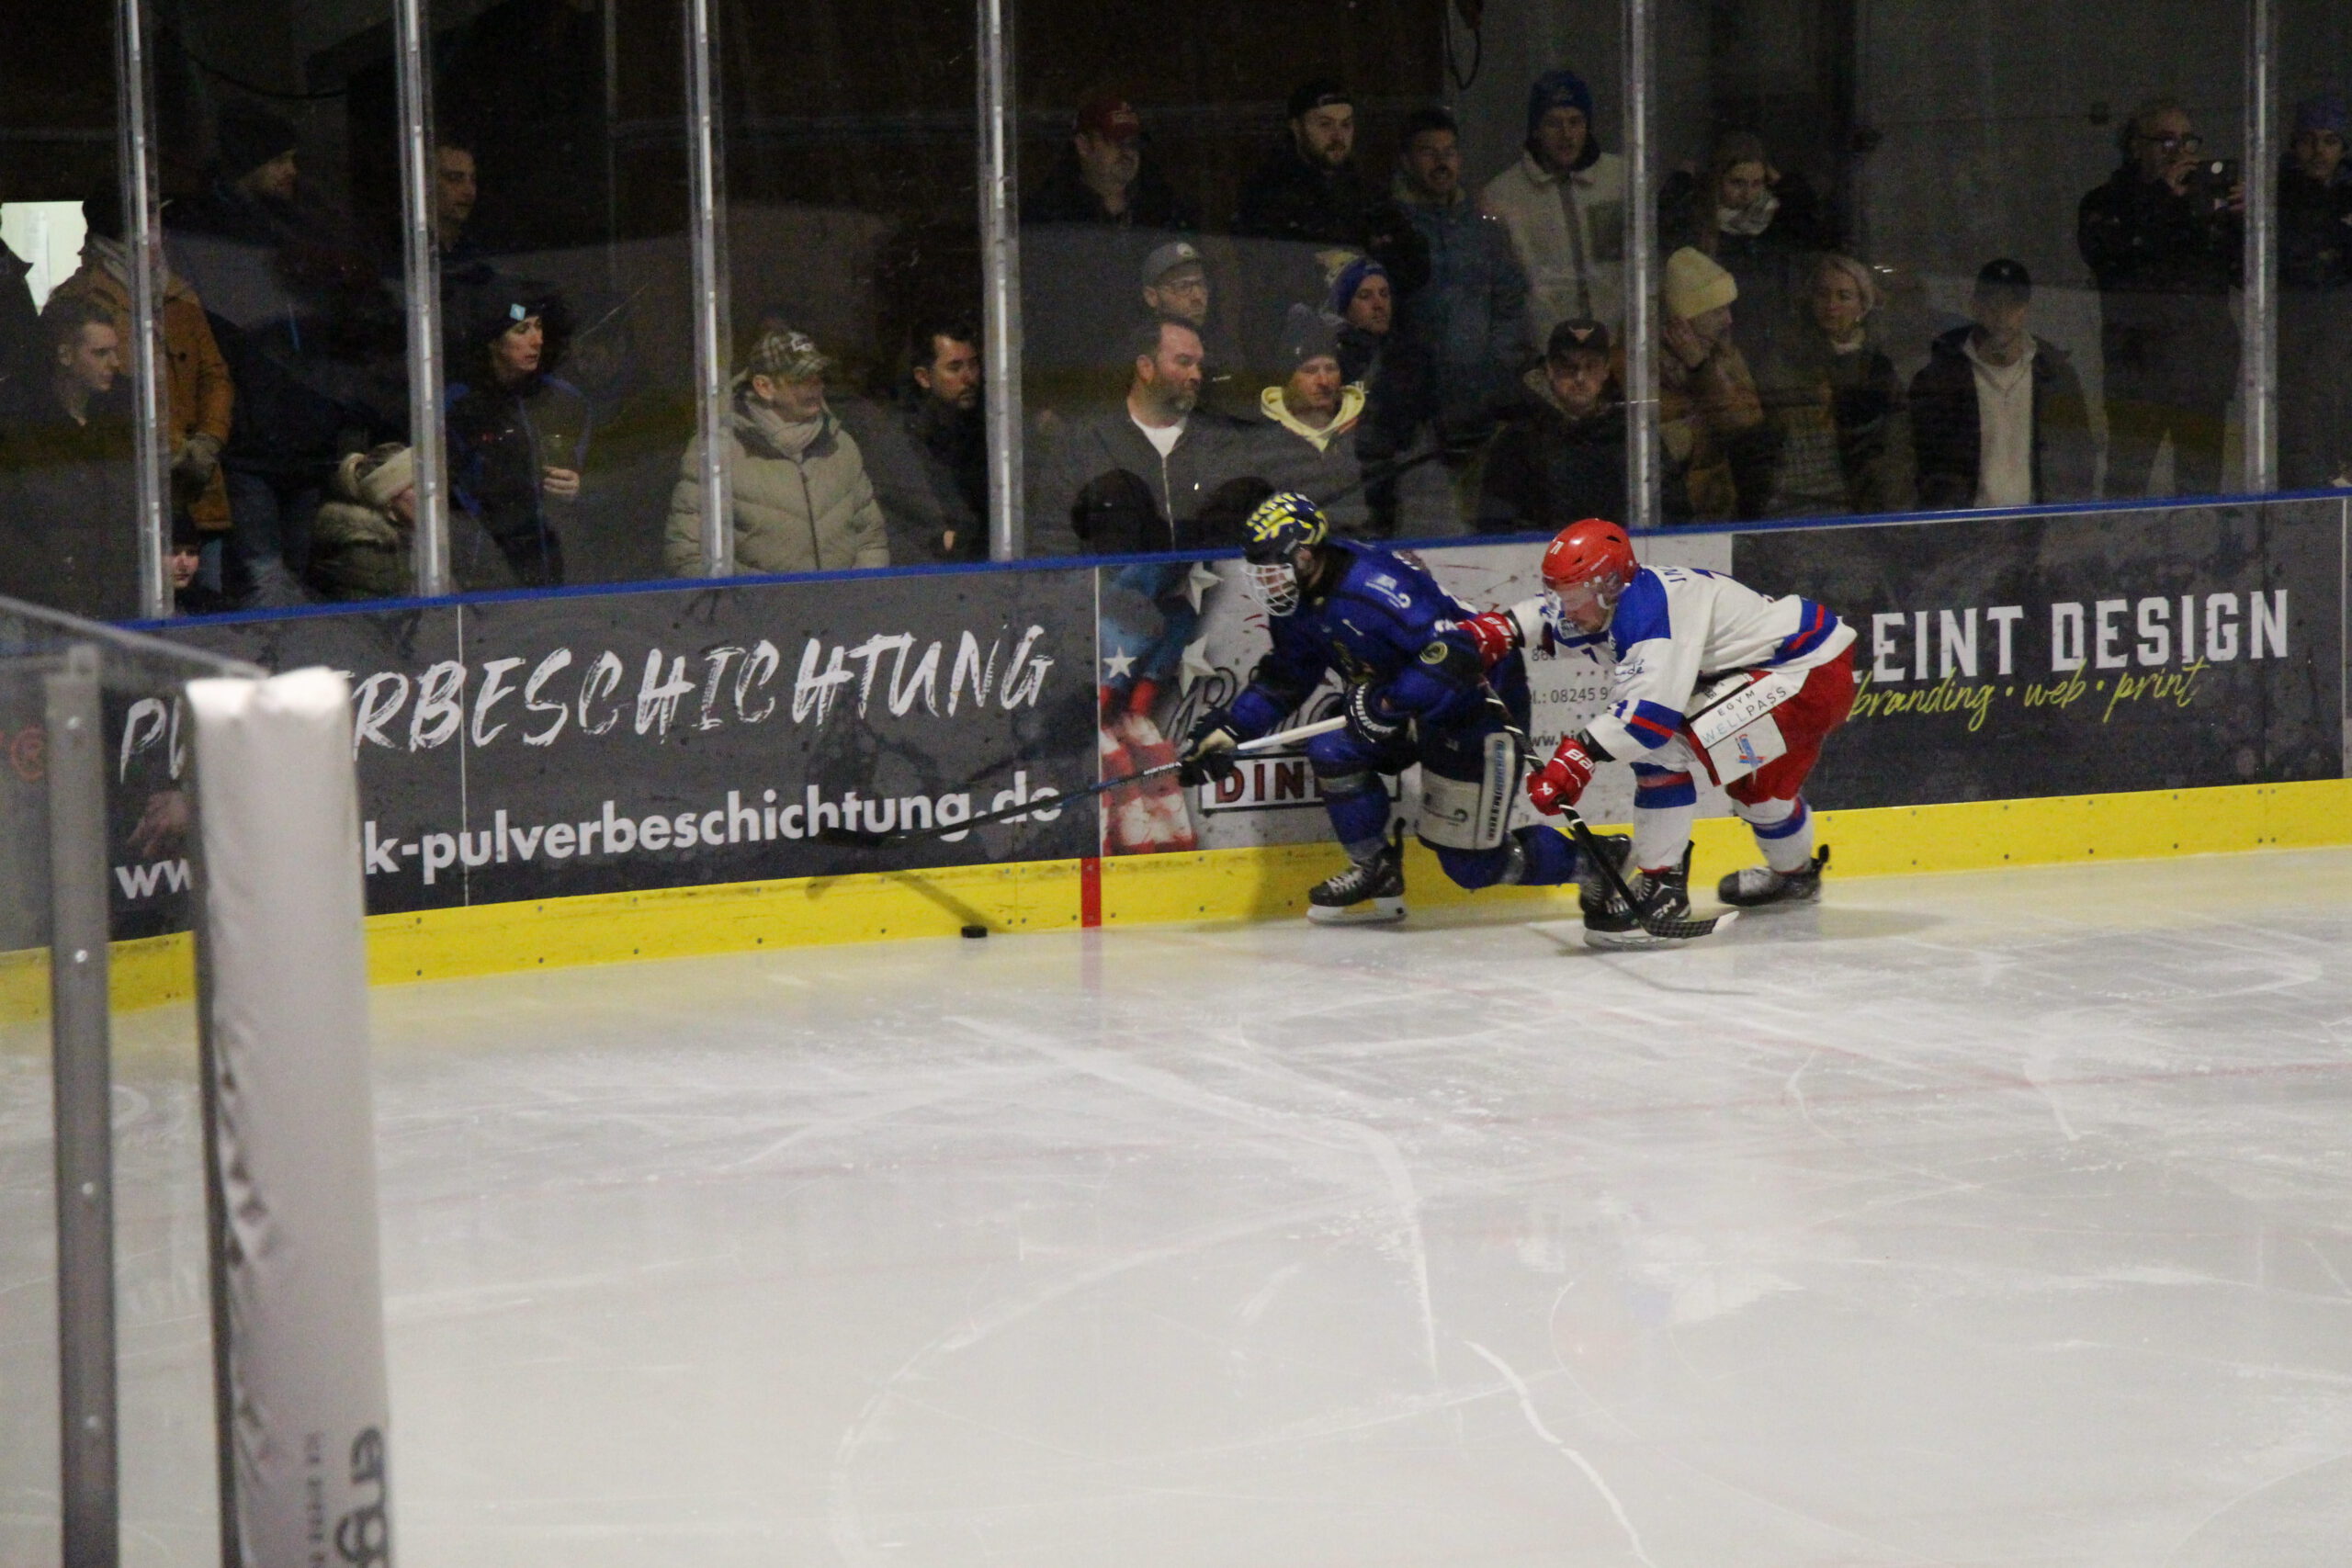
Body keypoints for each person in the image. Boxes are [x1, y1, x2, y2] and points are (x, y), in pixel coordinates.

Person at [1174, 491, 1608, 923]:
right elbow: (1288, 674)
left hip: (1477, 708)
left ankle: (1598, 864)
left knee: (1472, 867)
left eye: (1272, 567)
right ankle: (1374, 869)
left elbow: (1453, 655)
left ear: (1305, 555)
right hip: (1404, 707)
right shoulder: (1297, 599)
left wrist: (1387, 705)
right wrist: (1230, 731)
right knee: (1333, 751)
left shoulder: (1374, 587)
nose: (1265, 580)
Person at [1487, 518, 1855, 947]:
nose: (1566, 608)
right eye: (1561, 594)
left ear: (1609, 585)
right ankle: (1796, 876)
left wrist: (1576, 759)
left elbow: (1647, 720)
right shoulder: (1614, 598)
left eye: (1575, 596)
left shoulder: (1650, 613)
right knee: (1760, 795)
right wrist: (1495, 630)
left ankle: (1663, 891)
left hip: (1804, 675)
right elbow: (1546, 615)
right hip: (1804, 664)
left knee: (1659, 750)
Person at [50, 184, 237, 543]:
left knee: (200, 574)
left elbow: (215, 375)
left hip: (195, 483)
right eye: (149, 219)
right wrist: (174, 448)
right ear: (124, 229)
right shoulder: (80, 300)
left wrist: (208, 442)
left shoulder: (179, 293)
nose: (159, 233)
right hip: (125, 482)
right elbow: (83, 392)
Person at [2078, 97, 2243, 499]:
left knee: (2200, 484)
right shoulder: (2106, 202)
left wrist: (2247, 222)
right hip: (2139, 368)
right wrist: (2162, 197)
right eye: (2167, 141)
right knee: (2128, 481)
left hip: (2203, 368)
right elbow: (2112, 261)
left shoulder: (2207, 203)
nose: (2180, 152)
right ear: (2136, 146)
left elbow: (2245, 275)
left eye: (2187, 141)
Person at [663, 328, 888, 576]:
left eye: (818, 376)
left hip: (845, 600)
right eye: (801, 379)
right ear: (764, 387)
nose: (816, 386)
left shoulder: (840, 445)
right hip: (756, 602)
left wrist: (859, 592)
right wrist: (754, 599)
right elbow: (689, 555)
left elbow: (871, 540)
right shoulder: (717, 451)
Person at [1392, 107, 1530, 455]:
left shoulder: (1483, 229)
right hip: (1410, 415)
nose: (1442, 162)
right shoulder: (1390, 230)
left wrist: (1497, 372)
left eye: (1449, 152)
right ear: (1406, 161)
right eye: (1429, 152)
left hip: (1480, 406)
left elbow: (1510, 301)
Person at [1046, 316, 1246, 554]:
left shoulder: (1221, 441)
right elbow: (1054, 539)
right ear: (1145, 367)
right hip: (1113, 578)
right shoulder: (1086, 443)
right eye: (1184, 362)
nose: (1196, 375)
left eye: (1198, 365)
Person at [1909, 259, 2097, 512]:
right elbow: (1919, 461)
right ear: (1975, 306)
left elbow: (2080, 455)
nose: (2002, 314)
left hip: (2034, 527)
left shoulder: (2054, 376)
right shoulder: (1940, 378)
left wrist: (2066, 519)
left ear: (2025, 309)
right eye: (1992, 303)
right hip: (1963, 527)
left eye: (2013, 304)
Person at [1232, 79, 1430, 307]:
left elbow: (1414, 267)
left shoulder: (1366, 191)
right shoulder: (1268, 195)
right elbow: (1271, 278)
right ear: (1297, 127)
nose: (1338, 136)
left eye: (1346, 125)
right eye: (1325, 125)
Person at [0, 297, 136, 618]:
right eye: (100, 353)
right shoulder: (19, 426)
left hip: (116, 600)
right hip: (42, 606)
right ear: (65, 355)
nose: (115, 363)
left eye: (114, 351)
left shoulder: (125, 415)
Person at [447, 286, 589, 587]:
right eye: (522, 330)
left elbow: (614, 474)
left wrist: (583, 487)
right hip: (490, 564)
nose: (537, 340)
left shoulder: (568, 401)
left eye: (538, 326)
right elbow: (450, 494)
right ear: (493, 342)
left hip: (563, 558)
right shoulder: (459, 407)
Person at [1660, 131, 1838, 371]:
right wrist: (1681, 180)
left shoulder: (1774, 218)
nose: (1747, 194)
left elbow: (1819, 234)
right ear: (1717, 179)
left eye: (1757, 183)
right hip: (1717, 335)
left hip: (1770, 333)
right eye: (1737, 183)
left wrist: (1786, 185)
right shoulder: (1698, 220)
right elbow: (1662, 230)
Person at [1754, 254, 1910, 518]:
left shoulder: (1879, 366)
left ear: (1862, 305)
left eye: (1843, 296)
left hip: (1865, 505)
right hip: (1798, 500)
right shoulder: (1787, 358)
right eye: (1823, 294)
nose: (1831, 305)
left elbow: (1897, 444)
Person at [1479, 67, 1630, 342]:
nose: (1566, 134)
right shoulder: (1502, 195)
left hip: (1615, 344)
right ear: (1536, 129)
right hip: (1545, 349)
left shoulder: (1621, 180)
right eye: (1553, 123)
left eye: (1575, 122)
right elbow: (1499, 289)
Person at [1475, 317, 1625, 533]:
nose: (1580, 377)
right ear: (1550, 369)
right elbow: (1496, 528)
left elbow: (1668, 509)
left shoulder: (1630, 434)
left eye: (1591, 366)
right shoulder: (1517, 441)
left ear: (1606, 370)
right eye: (1568, 367)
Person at [1658, 247, 1776, 523]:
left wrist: (1701, 367)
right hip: (1673, 514)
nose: (1728, 320)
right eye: (1717, 311)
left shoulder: (1724, 355)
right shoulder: (1644, 367)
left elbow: (1746, 423)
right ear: (1682, 320)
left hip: (1722, 507)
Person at [858, 319, 988, 564]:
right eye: (954, 368)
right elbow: (899, 522)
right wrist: (942, 539)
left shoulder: (991, 430)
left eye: (973, 365)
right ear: (924, 377)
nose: (969, 378)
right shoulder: (899, 441)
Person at [1330, 254, 1439, 536]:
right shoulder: (1329, 363)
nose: (1379, 304)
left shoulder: (1414, 357)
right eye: (1365, 296)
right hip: (1353, 491)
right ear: (1345, 306)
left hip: (1409, 482)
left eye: (1384, 294)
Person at [2278, 92, 2352, 490]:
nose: (2319, 151)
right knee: (2304, 411)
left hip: (2339, 326)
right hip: (2297, 325)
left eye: (2330, 140)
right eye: (2309, 140)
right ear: (2295, 145)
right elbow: (2291, 255)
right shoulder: (2276, 194)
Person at [1247, 305, 1367, 532]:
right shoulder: (1256, 443)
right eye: (1310, 371)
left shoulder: (1370, 430)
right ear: (1287, 378)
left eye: (1331, 368)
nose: (1324, 381)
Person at [1021, 94, 1195, 231]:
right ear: (1083, 145)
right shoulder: (1049, 215)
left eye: (1134, 143)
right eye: (1116, 141)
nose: (1127, 152)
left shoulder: (1165, 210)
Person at [1137, 240, 1247, 418]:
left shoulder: (1224, 348)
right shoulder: (1134, 352)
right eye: (1183, 287)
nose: (1197, 297)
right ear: (1152, 296)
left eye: (1201, 284)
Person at [307, 443, 417, 601]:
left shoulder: (433, 541)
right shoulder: (366, 554)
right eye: (415, 486)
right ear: (388, 498)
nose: (434, 497)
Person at [168, 515, 232, 615]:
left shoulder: (212, 606)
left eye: (191, 553)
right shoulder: (143, 606)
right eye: (174, 553)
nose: (184, 563)